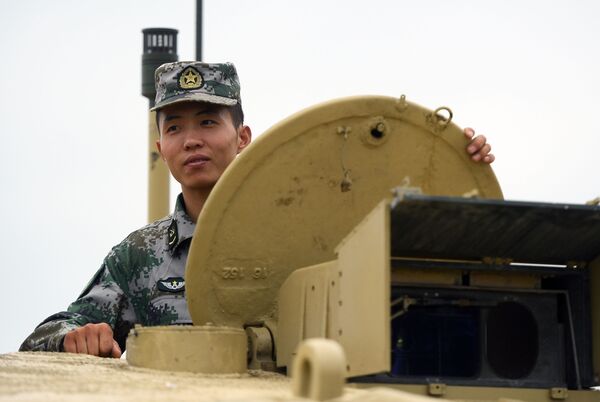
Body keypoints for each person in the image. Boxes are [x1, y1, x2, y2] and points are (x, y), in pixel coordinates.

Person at [19, 61, 494, 357]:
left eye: (208, 121)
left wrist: (456, 160)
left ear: (243, 138)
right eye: (176, 128)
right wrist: (72, 338)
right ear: (161, 146)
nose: (193, 140)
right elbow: (46, 334)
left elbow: (407, 240)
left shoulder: (310, 233)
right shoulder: (139, 256)